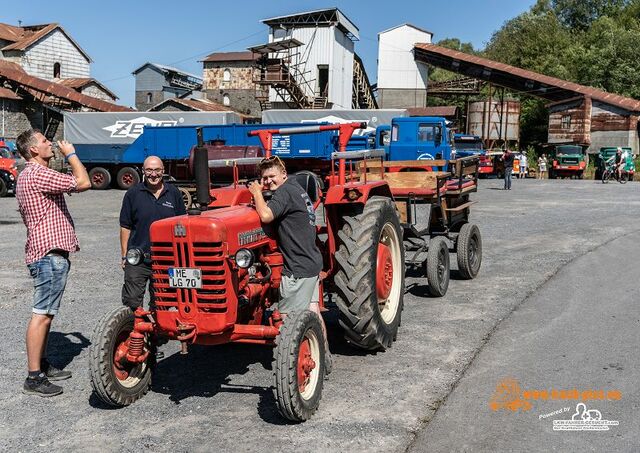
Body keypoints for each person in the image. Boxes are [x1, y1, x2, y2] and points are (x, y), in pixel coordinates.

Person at [15, 129, 91, 397]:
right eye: (45, 141)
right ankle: (34, 378)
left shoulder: (30, 175)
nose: (51, 144)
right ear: (33, 150)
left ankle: (42, 365)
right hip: (48, 254)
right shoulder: (38, 173)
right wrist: (71, 154)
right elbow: (83, 182)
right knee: (42, 315)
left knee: (47, 315)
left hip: (46, 253)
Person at [248, 155, 331, 373]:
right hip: (311, 260)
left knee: (287, 321)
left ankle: (294, 369)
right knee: (313, 312)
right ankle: (323, 358)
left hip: (297, 267)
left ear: (283, 174)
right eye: (264, 178)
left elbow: (265, 216)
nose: (267, 182)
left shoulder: (284, 192)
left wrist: (257, 193)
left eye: (271, 176)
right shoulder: (297, 188)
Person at [119, 156, 186, 310]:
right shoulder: (133, 194)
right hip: (138, 258)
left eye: (157, 170)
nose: (153, 174)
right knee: (132, 303)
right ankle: (135, 332)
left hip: (166, 259)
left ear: (163, 171)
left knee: (161, 304)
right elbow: (125, 226)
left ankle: (158, 334)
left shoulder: (174, 193)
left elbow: (182, 224)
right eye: (149, 170)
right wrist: (124, 256)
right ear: (143, 171)